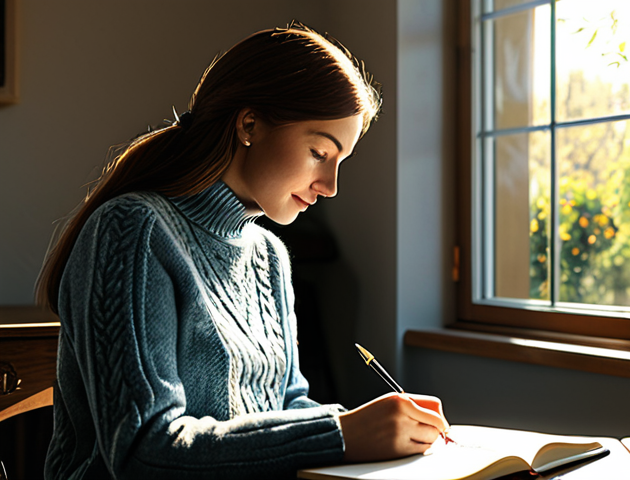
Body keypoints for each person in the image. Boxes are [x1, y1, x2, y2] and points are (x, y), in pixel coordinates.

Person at [36, 22, 448, 480]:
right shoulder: (134, 230)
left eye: (340, 163)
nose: (330, 187)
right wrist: (343, 434)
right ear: (249, 125)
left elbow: (285, 408)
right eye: (319, 152)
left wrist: (382, 432)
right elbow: (141, 451)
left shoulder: (268, 256)